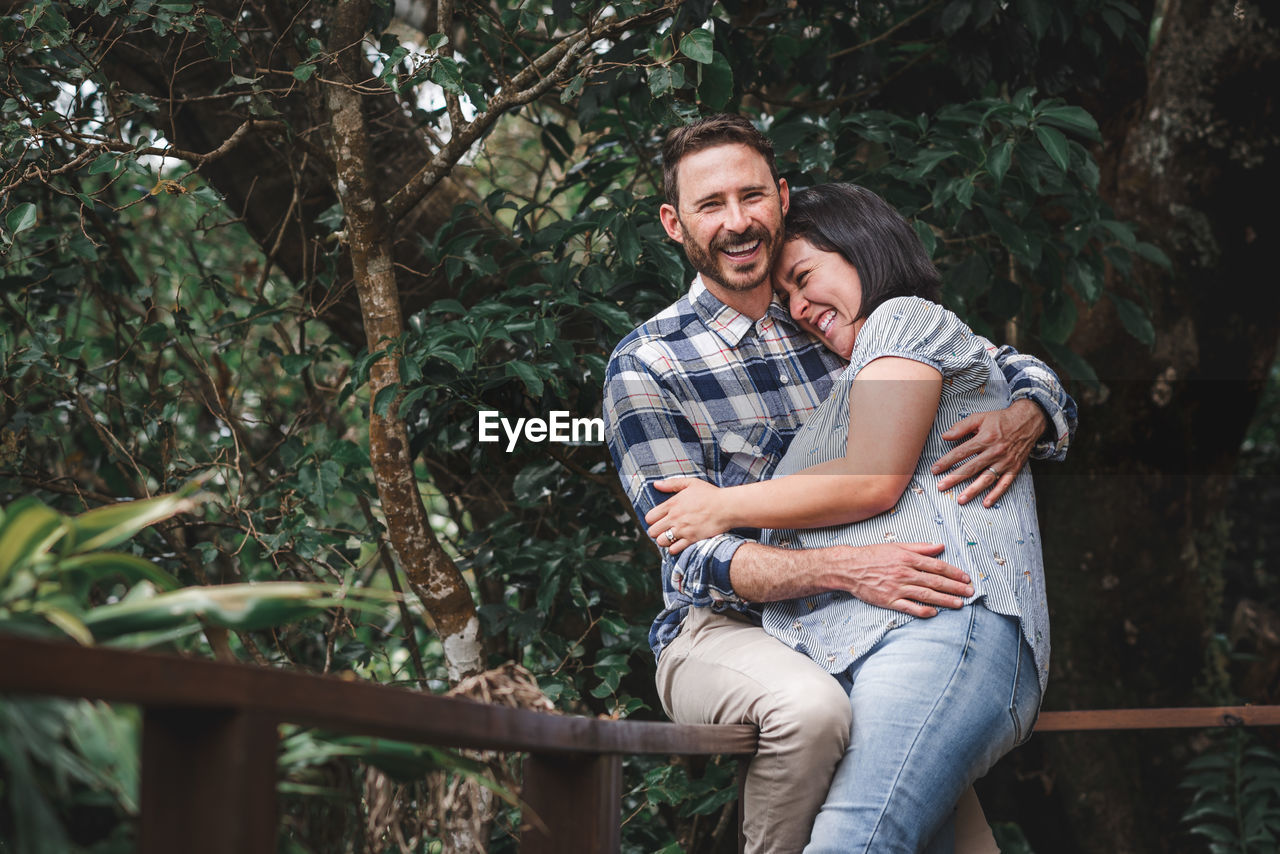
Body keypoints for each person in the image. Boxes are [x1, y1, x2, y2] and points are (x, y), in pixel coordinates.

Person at [602, 114, 1074, 854]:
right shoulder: (649, 365)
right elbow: (694, 552)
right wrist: (844, 569)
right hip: (734, 629)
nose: (736, 221)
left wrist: (1032, 411)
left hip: (875, 620)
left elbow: (991, 363)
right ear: (673, 223)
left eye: (751, 196)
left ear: (782, 197)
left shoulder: (841, 309)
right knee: (813, 713)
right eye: (709, 205)